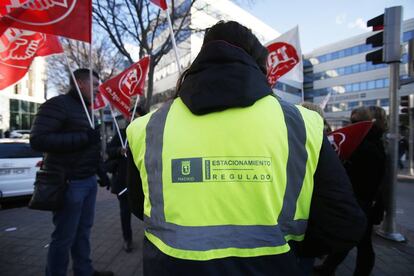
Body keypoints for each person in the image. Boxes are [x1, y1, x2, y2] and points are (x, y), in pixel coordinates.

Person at [126, 21, 366, 275]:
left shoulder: (147, 127)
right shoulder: (302, 126)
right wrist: (294, 251)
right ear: (259, 65)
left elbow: (139, 204)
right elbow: (345, 222)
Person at [30, 69, 113, 276]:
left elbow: (88, 149)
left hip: (87, 182)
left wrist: (100, 172)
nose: (97, 90)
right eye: (94, 85)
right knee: (64, 237)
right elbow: (38, 139)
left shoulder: (87, 111)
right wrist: (83, 138)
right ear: (80, 83)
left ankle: (83, 271)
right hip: (68, 184)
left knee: (83, 233)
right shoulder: (57, 105)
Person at [314, 106, 387, 276]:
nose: (351, 124)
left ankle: (354, 271)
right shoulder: (368, 142)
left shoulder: (368, 145)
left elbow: (370, 176)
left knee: (362, 242)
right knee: (351, 237)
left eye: (354, 121)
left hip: (362, 199)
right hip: (359, 198)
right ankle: (329, 267)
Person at [105, 103, 147, 253]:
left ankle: (152, 238)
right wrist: (119, 150)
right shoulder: (122, 133)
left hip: (145, 181)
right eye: (130, 116)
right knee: (125, 212)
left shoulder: (149, 131)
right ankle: (127, 239)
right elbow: (108, 150)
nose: (132, 118)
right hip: (124, 180)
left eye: (136, 116)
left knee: (148, 211)